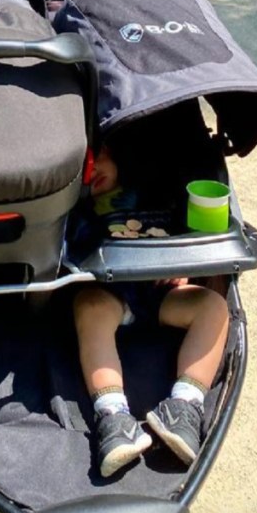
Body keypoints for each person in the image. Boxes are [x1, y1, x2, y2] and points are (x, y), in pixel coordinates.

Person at [74, 145, 231, 478]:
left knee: (213, 306)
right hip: (111, 293)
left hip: (162, 291)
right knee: (89, 307)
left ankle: (185, 405)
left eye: (101, 154)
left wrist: (181, 261)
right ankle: (113, 415)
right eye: (84, 158)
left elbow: (180, 224)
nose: (94, 165)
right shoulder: (77, 203)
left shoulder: (151, 188)